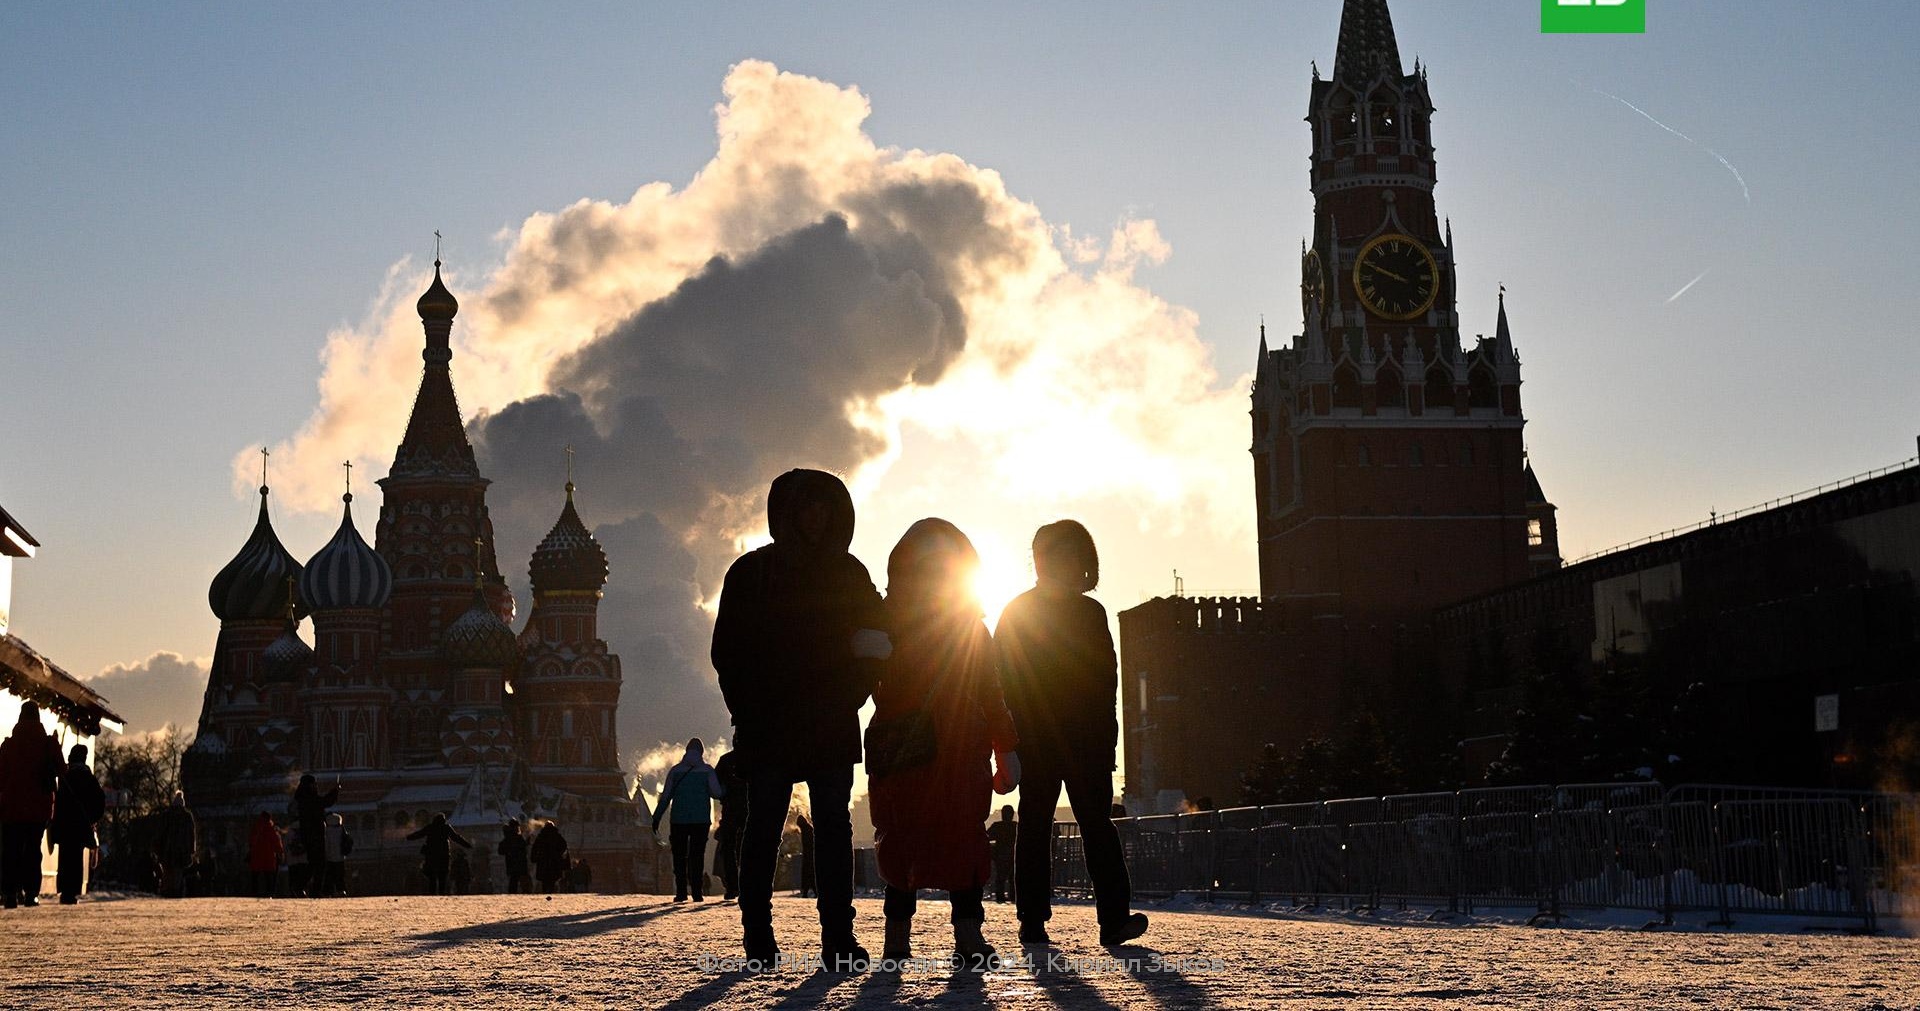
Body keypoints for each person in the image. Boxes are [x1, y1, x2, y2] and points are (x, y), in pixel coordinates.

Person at [711, 468, 891, 969]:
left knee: (832, 826)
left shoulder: (849, 574)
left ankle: (838, 937)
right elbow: (728, 652)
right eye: (806, 506)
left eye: (824, 506)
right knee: (765, 825)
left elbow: (877, 638)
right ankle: (758, 935)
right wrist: (747, 711)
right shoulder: (751, 573)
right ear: (786, 513)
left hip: (830, 720)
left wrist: (851, 696)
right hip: (771, 724)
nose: (817, 516)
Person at [867, 518, 1020, 963]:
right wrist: (1005, 745)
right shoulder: (964, 628)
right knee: (947, 837)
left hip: (912, 748)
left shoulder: (888, 626)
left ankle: (903, 936)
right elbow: (993, 693)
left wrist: (1003, 744)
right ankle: (960, 936)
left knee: (912, 837)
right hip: (945, 748)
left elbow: (991, 690)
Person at [995, 520, 1148, 947]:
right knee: (1046, 825)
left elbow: (1105, 683)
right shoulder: (1059, 612)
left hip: (1075, 740)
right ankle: (1037, 920)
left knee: (1074, 825)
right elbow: (1003, 679)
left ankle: (1104, 919)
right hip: (1050, 739)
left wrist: (1106, 740)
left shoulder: (1067, 611)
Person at [0, 702, 62, 907]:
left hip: (11, 806)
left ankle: (10, 891)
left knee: (11, 850)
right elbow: (62, 770)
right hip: (39, 807)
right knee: (33, 850)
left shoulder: (9, 744)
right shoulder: (48, 744)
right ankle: (31, 892)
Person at [653, 738, 723, 902]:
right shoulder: (707, 771)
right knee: (697, 855)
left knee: (679, 855)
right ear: (701, 752)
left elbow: (666, 797)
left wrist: (656, 818)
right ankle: (697, 892)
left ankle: (681, 892)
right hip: (701, 820)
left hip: (679, 819)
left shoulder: (675, 771)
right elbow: (717, 793)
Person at [49, 744, 105, 904]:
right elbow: (99, 800)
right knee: (76, 857)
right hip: (81, 825)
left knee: (65, 857)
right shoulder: (88, 777)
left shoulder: (65, 776)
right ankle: (73, 891)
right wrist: (93, 818)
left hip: (65, 824)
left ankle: (64, 889)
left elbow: (57, 800)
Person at [291, 774, 338, 897]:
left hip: (310, 836)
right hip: (315, 836)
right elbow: (324, 802)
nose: (316, 786)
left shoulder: (303, 798)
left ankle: (304, 888)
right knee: (319, 865)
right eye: (314, 784)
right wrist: (335, 791)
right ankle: (311, 890)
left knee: (314, 864)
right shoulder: (309, 798)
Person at [407, 813, 473, 896]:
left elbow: (419, 834)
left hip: (431, 855)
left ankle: (432, 894)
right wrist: (467, 845)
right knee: (442, 876)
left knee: (432, 877)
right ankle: (441, 893)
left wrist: (408, 837)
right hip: (443, 856)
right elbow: (456, 837)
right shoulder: (446, 827)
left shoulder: (430, 827)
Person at [712, 751, 747, 901]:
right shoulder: (753, 756)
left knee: (728, 849)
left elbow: (715, 787)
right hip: (749, 810)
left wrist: (724, 794)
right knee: (748, 847)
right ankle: (748, 884)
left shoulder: (725, 760)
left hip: (730, 810)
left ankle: (733, 887)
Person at [154, 791, 198, 898]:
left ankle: (166, 891)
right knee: (177, 873)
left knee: (167, 872)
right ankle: (175, 891)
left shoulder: (166, 815)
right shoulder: (187, 816)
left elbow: (160, 833)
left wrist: (157, 847)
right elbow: (191, 834)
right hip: (181, 851)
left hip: (167, 850)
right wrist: (192, 849)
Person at [247, 811, 285, 898]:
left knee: (255, 876)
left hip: (256, 857)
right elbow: (276, 843)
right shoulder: (271, 829)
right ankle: (269, 893)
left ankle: (254, 892)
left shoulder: (256, 828)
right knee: (269, 877)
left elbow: (251, 841)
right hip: (269, 857)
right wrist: (280, 852)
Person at [986, 807, 1017, 904]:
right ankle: (1013, 896)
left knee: (1000, 878)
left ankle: (1000, 897)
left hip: (1000, 855)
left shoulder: (997, 826)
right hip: (1013, 855)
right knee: (1013, 878)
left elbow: (987, 836)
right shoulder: (1016, 826)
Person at [530, 821, 569, 894]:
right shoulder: (557, 836)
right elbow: (564, 847)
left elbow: (535, 848)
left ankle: (546, 894)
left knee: (545, 881)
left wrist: (534, 858)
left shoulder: (541, 836)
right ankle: (550, 893)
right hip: (554, 863)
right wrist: (558, 855)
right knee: (552, 880)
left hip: (543, 863)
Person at [320, 811, 350, 897]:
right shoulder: (341, 829)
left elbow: (326, 844)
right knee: (340, 876)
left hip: (329, 857)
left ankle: (328, 892)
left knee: (329, 876)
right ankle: (341, 890)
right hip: (340, 857)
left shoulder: (326, 830)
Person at [499, 819, 531, 894]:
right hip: (520, 863)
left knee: (514, 881)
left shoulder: (508, 838)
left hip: (512, 863)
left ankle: (513, 894)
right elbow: (521, 847)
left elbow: (501, 850)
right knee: (522, 882)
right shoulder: (517, 838)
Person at [796, 811, 816, 899]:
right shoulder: (808, 828)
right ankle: (811, 892)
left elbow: (808, 844)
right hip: (809, 856)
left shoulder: (806, 830)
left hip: (809, 856)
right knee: (810, 875)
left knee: (808, 874)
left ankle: (807, 892)